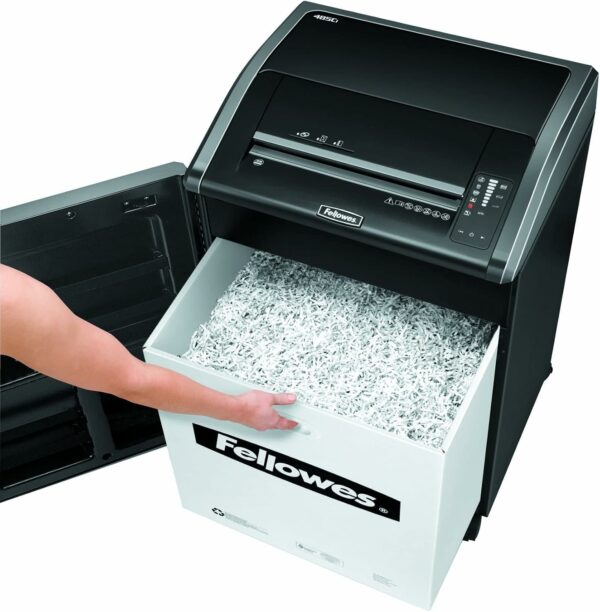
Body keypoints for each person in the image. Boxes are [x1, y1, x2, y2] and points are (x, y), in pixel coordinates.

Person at [0, 264, 298, 430]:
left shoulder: (13, 303)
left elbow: (132, 380)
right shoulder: (11, 303)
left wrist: (240, 409)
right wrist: (239, 409)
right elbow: (132, 381)